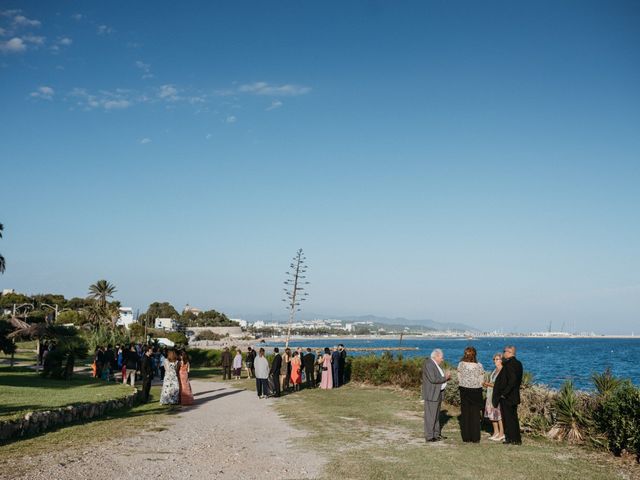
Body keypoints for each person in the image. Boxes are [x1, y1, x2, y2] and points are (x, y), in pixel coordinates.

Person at [492, 345, 523, 445]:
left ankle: (511, 439)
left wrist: (504, 393)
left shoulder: (509, 364)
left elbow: (512, 380)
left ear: (510, 352)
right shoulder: (518, 364)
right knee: (513, 418)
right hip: (514, 395)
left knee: (508, 418)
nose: (503, 353)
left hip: (508, 397)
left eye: (504, 351)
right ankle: (515, 438)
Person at [457, 346, 485, 443]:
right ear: (475, 355)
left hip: (464, 390)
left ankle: (466, 437)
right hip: (476, 391)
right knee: (475, 414)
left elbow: (459, 377)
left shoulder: (461, 364)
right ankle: (475, 437)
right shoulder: (479, 366)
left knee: (465, 414)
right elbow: (481, 380)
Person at [422, 348, 451, 442]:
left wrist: (445, 378)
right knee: (430, 416)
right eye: (441, 357)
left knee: (436, 415)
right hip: (432, 394)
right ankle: (430, 436)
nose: (442, 359)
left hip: (437, 393)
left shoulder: (434, 364)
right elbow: (433, 379)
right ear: (436, 356)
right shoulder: (429, 364)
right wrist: (445, 378)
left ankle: (436, 434)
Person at [484, 353, 505, 441]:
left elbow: (499, 385)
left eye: (497, 359)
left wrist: (488, 384)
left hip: (496, 395)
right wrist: (487, 384)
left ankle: (501, 433)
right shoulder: (494, 370)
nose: (495, 361)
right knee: (492, 415)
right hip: (489, 395)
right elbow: (491, 382)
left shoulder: (503, 370)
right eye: (494, 359)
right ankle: (495, 432)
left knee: (498, 415)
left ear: (501, 360)